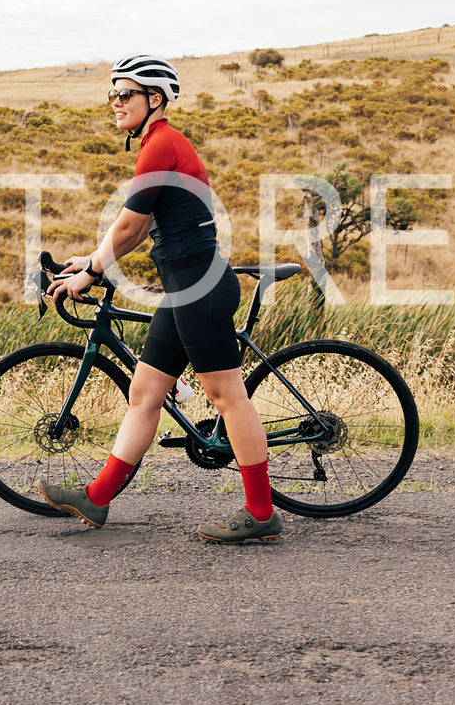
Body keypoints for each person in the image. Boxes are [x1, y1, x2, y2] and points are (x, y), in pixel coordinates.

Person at [38, 54, 281, 543]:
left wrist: (91, 274)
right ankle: (97, 497)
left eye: (125, 94)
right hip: (183, 288)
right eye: (112, 94)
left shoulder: (162, 144)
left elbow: (129, 226)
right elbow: (138, 225)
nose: (115, 103)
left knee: (226, 396)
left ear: (155, 99)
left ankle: (261, 513)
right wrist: (90, 261)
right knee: (146, 393)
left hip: (200, 286)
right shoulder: (156, 146)